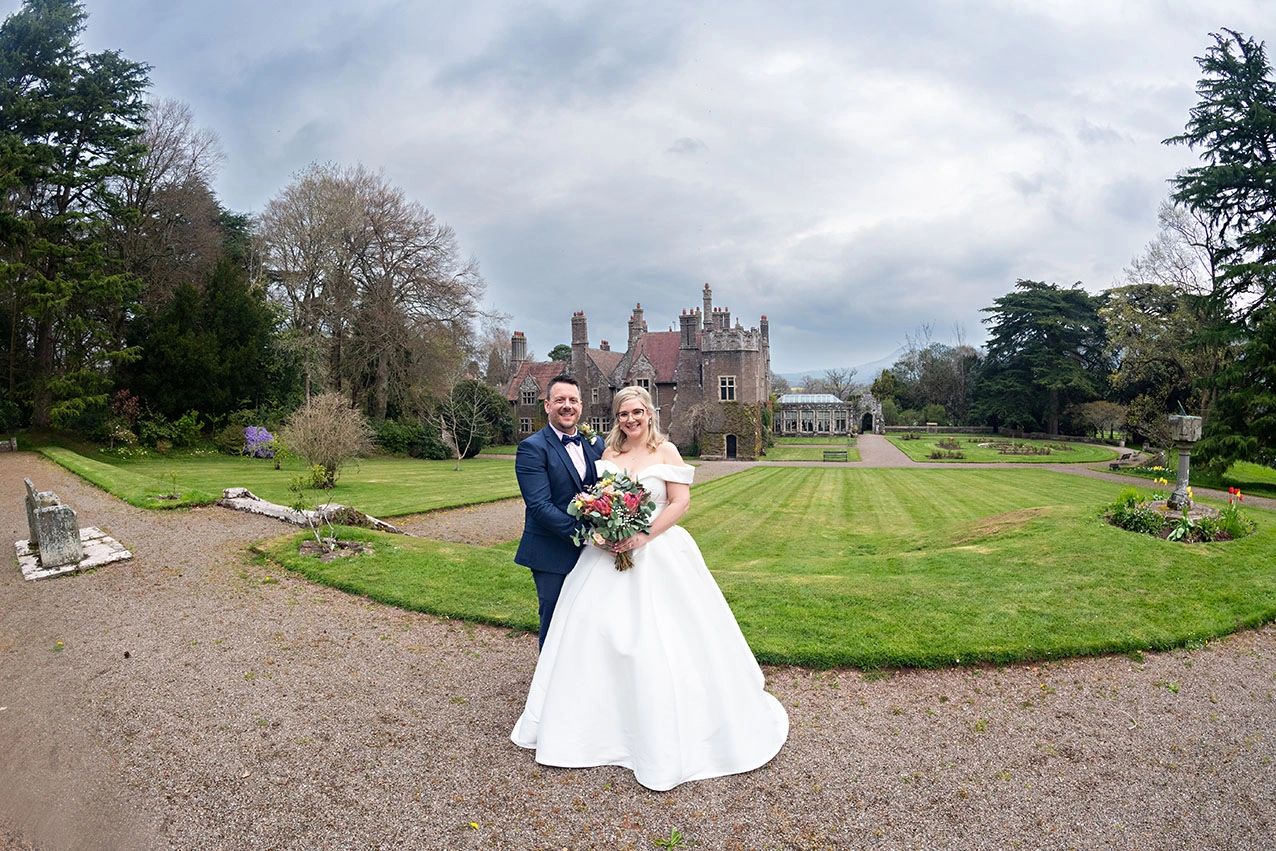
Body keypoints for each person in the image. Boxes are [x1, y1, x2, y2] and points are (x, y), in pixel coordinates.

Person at [511, 386, 788, 791]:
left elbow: (679, 503)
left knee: (671, 635)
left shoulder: (667, 451)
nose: (630, 419)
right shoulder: (605, 455)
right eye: (623, 413)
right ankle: (586, 718)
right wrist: (604, 532)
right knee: (594, 630)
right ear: (615, 417)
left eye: (637, 411)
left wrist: (643, 537)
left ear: (649, 413)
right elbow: (588, 500)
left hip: (657, 551)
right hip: (604, 553)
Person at [514, 374, 604, 648]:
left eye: (573, 400)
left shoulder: (596, 444)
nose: (567, 406)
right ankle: (547, 688)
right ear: (547, 405)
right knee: (555, 620)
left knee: (590, 620)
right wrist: (588, 535)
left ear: (581, 405)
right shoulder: (532, 448)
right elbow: (540, 506)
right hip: (551, 552)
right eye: (560, 400)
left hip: (594, 555)